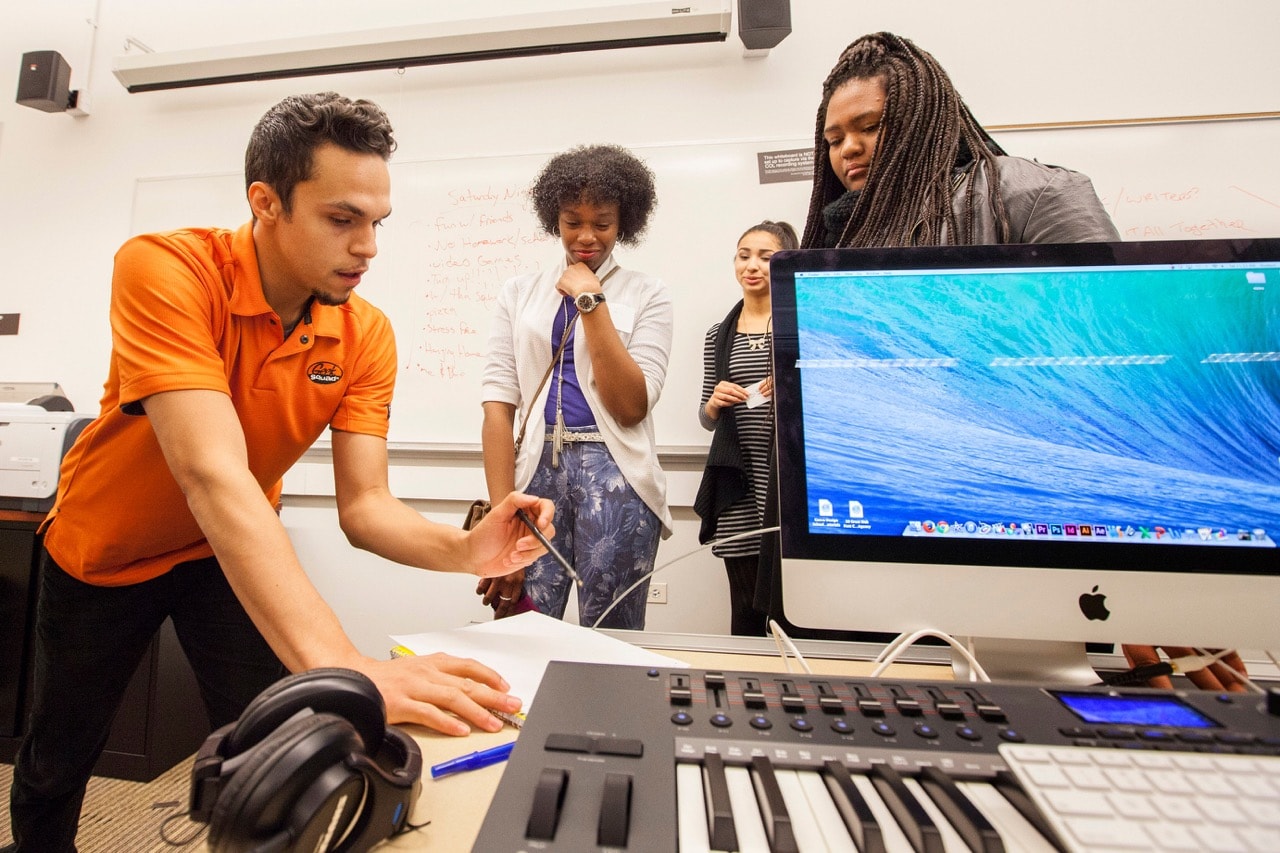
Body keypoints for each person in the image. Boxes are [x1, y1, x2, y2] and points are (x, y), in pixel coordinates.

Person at [5, 92, 554, 853]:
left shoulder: (365, 333)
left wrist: (467, 550)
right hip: (105, 552)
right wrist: (342, 661)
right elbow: (213, 474)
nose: (367, 246)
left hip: (217, 555)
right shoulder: (165, 268)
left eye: (376, 222)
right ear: (265, 202)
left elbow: (365, 506)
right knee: (60, 753)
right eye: (341, 219)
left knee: (282, 738)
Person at [754, 31, 1123, 642]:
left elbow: (1114, 376)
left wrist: (1133, 585)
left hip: (1008, 526)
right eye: (833, 139)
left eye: (868, 127)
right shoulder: (840, 241)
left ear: (924, 116)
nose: (848, 150)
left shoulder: (1032, 194)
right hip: (865, 522)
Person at [477, 144, 673, 630]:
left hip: (618, 478)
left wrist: (592, 300)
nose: (586, 237)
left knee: (610, 635)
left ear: (624, 222)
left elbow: (630, 407)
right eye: (571, 221)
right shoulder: (518, 292)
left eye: (602, 223)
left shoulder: (648, 294)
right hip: (535, 474)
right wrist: (503, 513)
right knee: (517, 626)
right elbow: (497, 406)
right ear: (554, 219)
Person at [694, 220, 799, 636]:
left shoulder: (798, 326)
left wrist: (790, 391)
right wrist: (715, 402)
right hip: (737, 480)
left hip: (786, 483)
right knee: (746, 612)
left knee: (791, 612)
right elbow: (705, 419)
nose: (752, 265)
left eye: (766, 257)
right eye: (744, 255)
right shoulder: (719, 335)